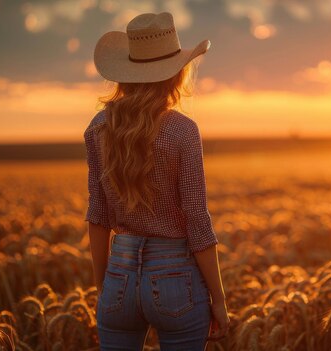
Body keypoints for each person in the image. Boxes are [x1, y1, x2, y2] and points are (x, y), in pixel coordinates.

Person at [84, 12, 230, 350]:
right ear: (176, 74)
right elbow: (197, 219)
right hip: (175, 274)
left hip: (118, 272)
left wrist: (104, 289)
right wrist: (219, 299)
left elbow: (98, 215)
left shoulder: (98, 128)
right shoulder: (182, 130)